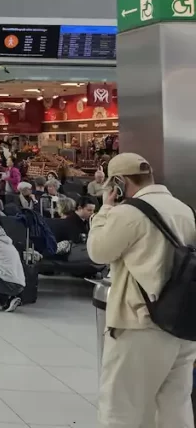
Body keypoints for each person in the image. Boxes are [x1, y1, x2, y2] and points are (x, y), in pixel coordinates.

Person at [88, 153, 196, 428]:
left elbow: (98, 251)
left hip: (140, 324)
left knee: (122, 407)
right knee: (175, 405)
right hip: (182, 323)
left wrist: (104, 211)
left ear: (120, 183)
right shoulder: (183, 209)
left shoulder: (129, 213)